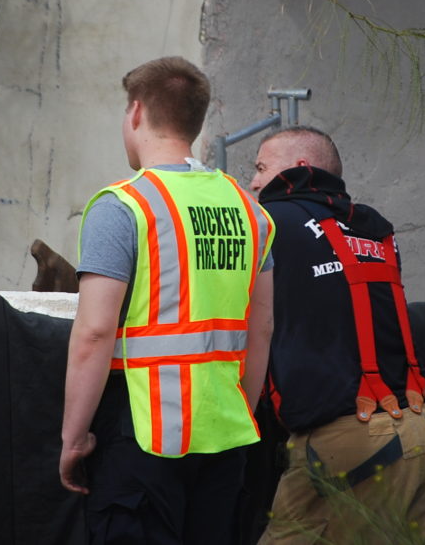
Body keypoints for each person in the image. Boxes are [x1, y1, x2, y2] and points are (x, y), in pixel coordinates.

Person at [59, 56, 276, 544]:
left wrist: (74, 437)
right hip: (224, 435)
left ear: (136, 112)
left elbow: (94, 332)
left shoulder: (124, 206)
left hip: (142, 433)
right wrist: (241, 412)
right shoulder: (249, 210)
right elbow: (260, 329)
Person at [249, 126, 425, 544]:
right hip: (422, 431)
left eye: (262, 168)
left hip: (350, 442)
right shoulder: (371, 227)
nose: (253, 182)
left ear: (299, 167)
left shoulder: (270, 224)